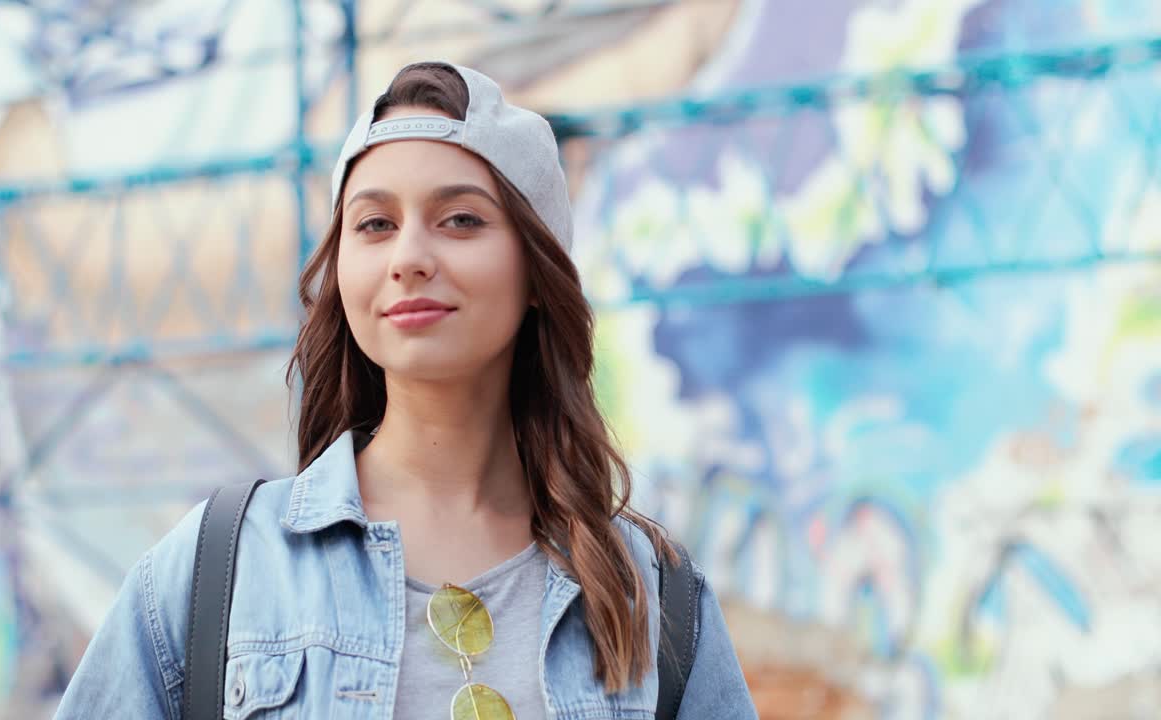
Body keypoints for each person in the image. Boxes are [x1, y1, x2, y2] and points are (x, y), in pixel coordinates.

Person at [53, 61, 758, 720]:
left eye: (461, 220)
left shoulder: (653, 594)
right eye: (375, 225)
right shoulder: (220, 569)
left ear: (537, 269)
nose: (410, 258)